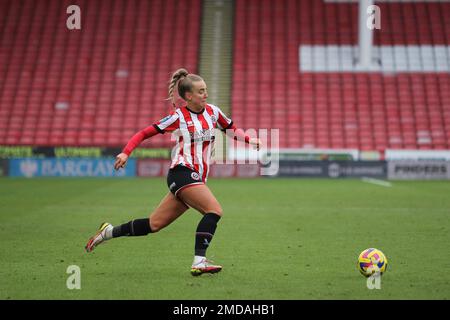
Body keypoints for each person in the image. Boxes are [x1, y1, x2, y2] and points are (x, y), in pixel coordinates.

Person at [85, 68, 260, 276]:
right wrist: (125, 153)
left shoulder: (213, 112)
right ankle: (199, 261)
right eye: (201, 91)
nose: (206, 94)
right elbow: (144, 133)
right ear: (188, 96)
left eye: (206, 90)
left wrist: (249, 139)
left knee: (153, 224)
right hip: (181, 172)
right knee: (214, 210)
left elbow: (231, 128)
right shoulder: (178, 117)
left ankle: (108, 232)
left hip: (195, 177)